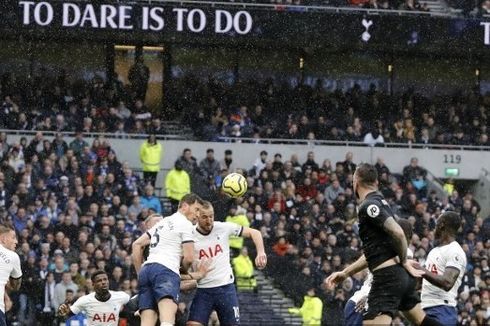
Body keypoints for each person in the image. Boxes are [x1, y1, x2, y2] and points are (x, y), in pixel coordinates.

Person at [325, 163, 439, 326]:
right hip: (400, 278)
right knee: (421, 320)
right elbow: (375, 252)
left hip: (387, 277)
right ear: (377, 183)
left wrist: (404, 260)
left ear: (355, 181)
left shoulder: (369, 206)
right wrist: (345, 273)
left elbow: (398, 233)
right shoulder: (381, 202)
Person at [187, 201, 267, 326]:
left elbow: (254, 233)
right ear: (197, 216)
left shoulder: (223, 228)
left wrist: (261, 252)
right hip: (203, 290)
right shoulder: (188, 234)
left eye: (211, 216)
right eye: (204, 217)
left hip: (225, 289)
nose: (209, 221)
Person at [132, 193, 202, 326]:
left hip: (147, 270)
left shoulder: (163, 222)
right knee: (167, 320)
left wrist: (140, 274)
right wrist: (183, 270)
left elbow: (136, 245)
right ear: (185, 206)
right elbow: (189, 257)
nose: (198, 214)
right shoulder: (185, 223)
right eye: (196, 209)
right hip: (166, 271)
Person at [343, 219, 415, 326]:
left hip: (361, 304)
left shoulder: (381, 247)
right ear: (408, 236)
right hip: (364, 305)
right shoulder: (405, 253)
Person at [408, 211, 466, 326]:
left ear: (442, 224)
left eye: (436, 223)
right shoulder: (434, 251)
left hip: (442, 309)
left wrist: (420, 268)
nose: (434, 228)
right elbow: (423, 281)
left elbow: (447, 283)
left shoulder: (455, 251)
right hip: (424, 307)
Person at [58, 270, 130, 325]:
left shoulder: (121, 296)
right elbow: (69, 313)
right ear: (93, 284)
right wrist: (64, 311)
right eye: (99, 280)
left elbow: (134, 304)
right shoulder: (85, 300)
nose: (103, 282)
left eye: (105, 279)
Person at [0, 225, 22, 326]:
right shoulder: (12, 256)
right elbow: (16, 285)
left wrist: (5, 296)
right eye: (13, 237)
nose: (16, 241)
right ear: (3, 238)